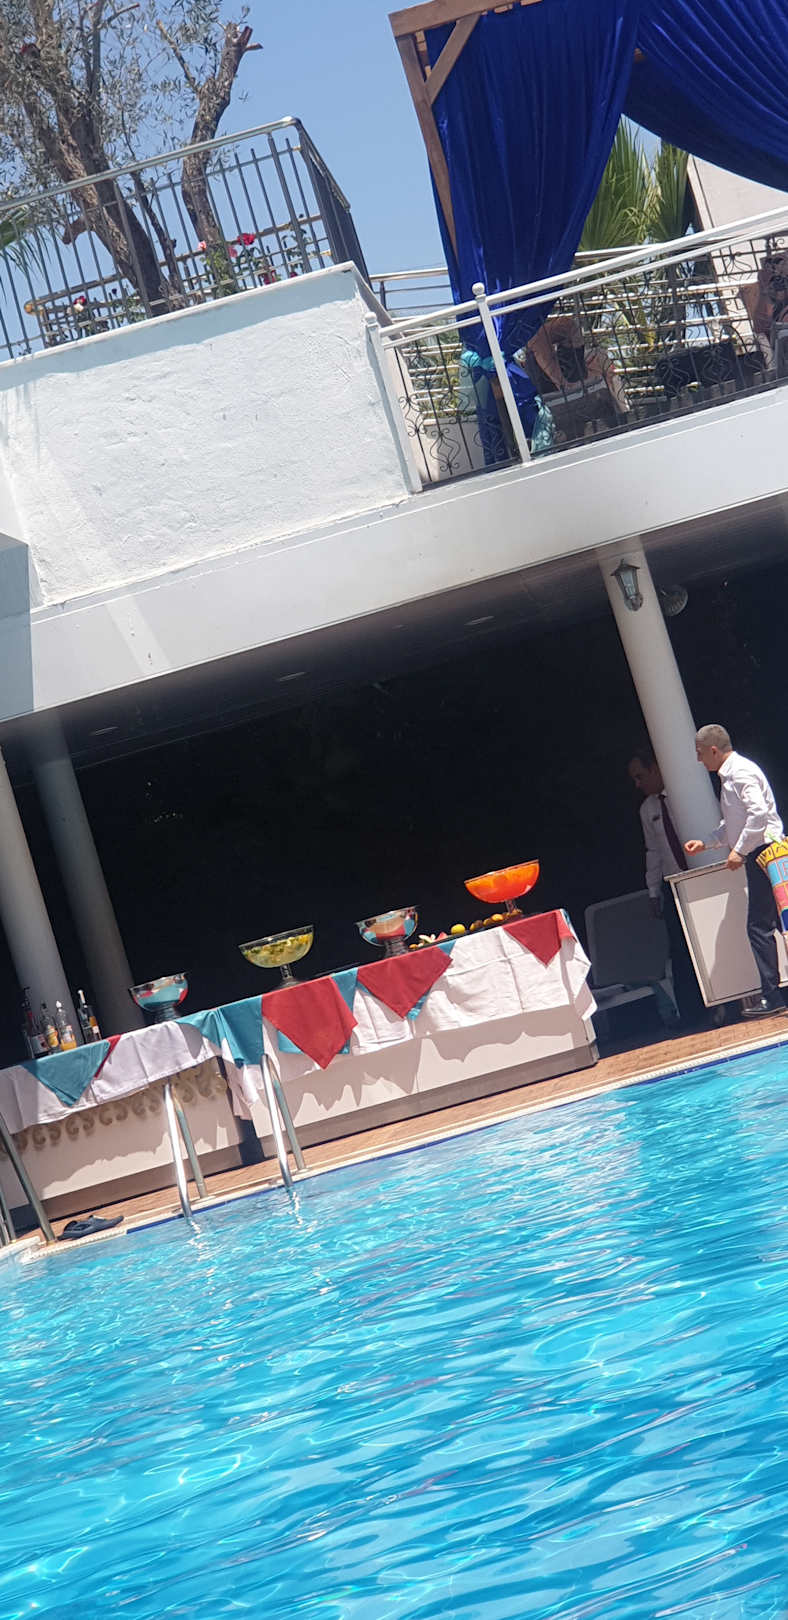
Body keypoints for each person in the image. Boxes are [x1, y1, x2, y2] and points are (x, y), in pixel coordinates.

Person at [685, 724, 786, 1019]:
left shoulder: (740, 773)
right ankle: (772, 994)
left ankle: (772, 996)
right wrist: (707, 843)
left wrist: (739, 851)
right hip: (760, 853)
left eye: (700, 753)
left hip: (766, 853)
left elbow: (759, 815)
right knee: (769, 923)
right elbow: (734, 823)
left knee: (760, 926)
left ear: (713, 750)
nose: (699, 760)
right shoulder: (731, 775)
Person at [628, 746, 705, 1025]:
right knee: (681, 951)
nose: (638, 784)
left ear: (656, 768)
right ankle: (693, 1015)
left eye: (640, 776)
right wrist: (653, 891)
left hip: (703, 876)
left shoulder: (687, 794)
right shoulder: (647, 809)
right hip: (674, 885)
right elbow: (653, 852)